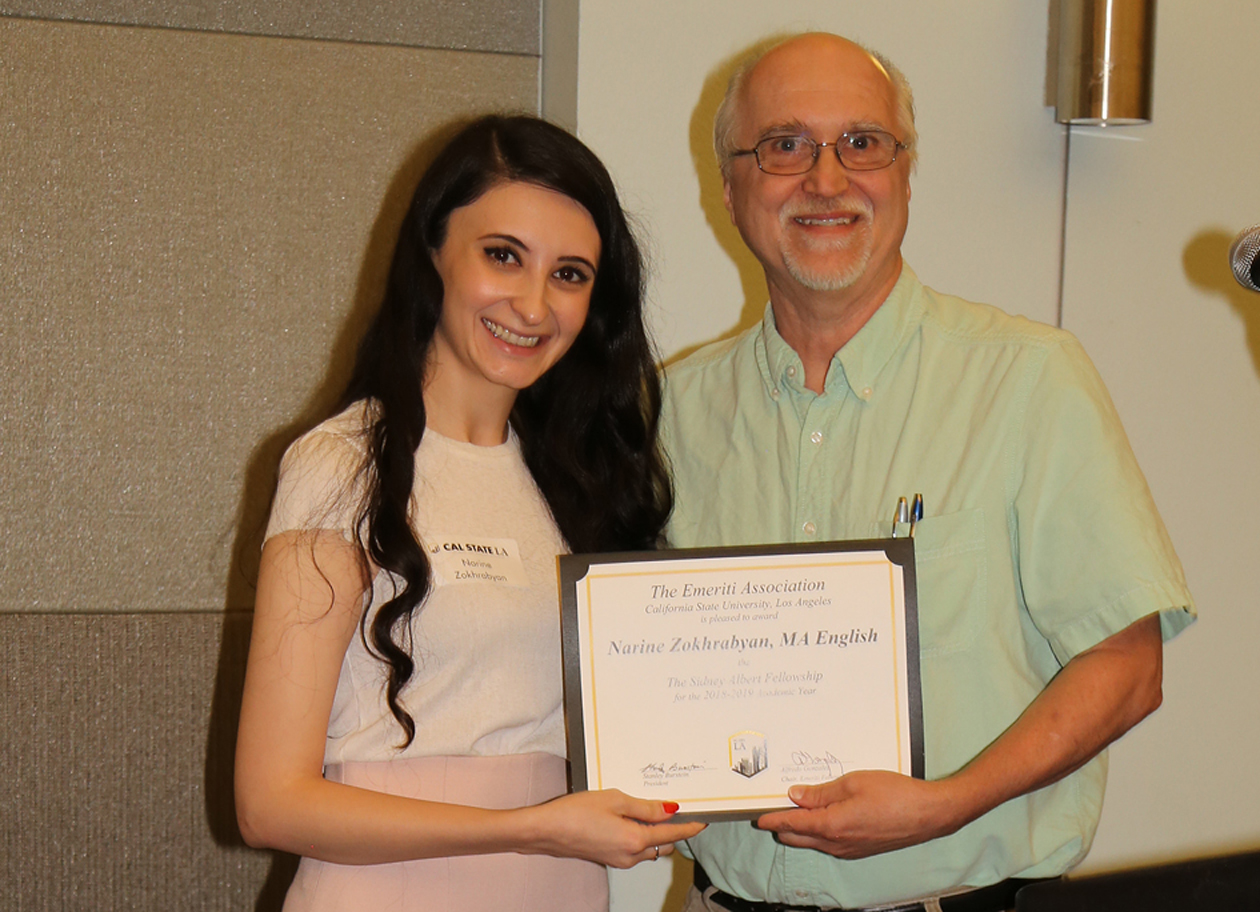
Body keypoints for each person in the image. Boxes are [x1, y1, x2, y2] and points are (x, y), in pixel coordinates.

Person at [662, 33, 1196, 912]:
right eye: (785, 145)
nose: (826, 180)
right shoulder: (671, 412)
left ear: (906, 174)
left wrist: (947, 806)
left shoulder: (1029, 380)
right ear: (729, 187)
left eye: (863, 144)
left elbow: (1128, 666)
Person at [234, 114, 704, 912]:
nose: (532, 304)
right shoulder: (343, 464)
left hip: (560, 888)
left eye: (570, 274)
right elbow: (269, 802)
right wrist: (533, 826)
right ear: (432, 252)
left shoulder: (586, 480)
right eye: (502, 256)